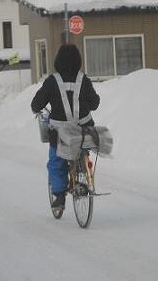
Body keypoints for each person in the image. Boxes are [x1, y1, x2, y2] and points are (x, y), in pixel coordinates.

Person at [31, 44, 100, 210]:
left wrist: (37, 109)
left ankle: (60, 196)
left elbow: (37, 103)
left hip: (60, 133)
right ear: (78, 60)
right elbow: (95, 103)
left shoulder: (52, 81)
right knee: (83, 149)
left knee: (56, 162)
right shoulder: (84, 80)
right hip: (84, 130)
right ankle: (83, 172)